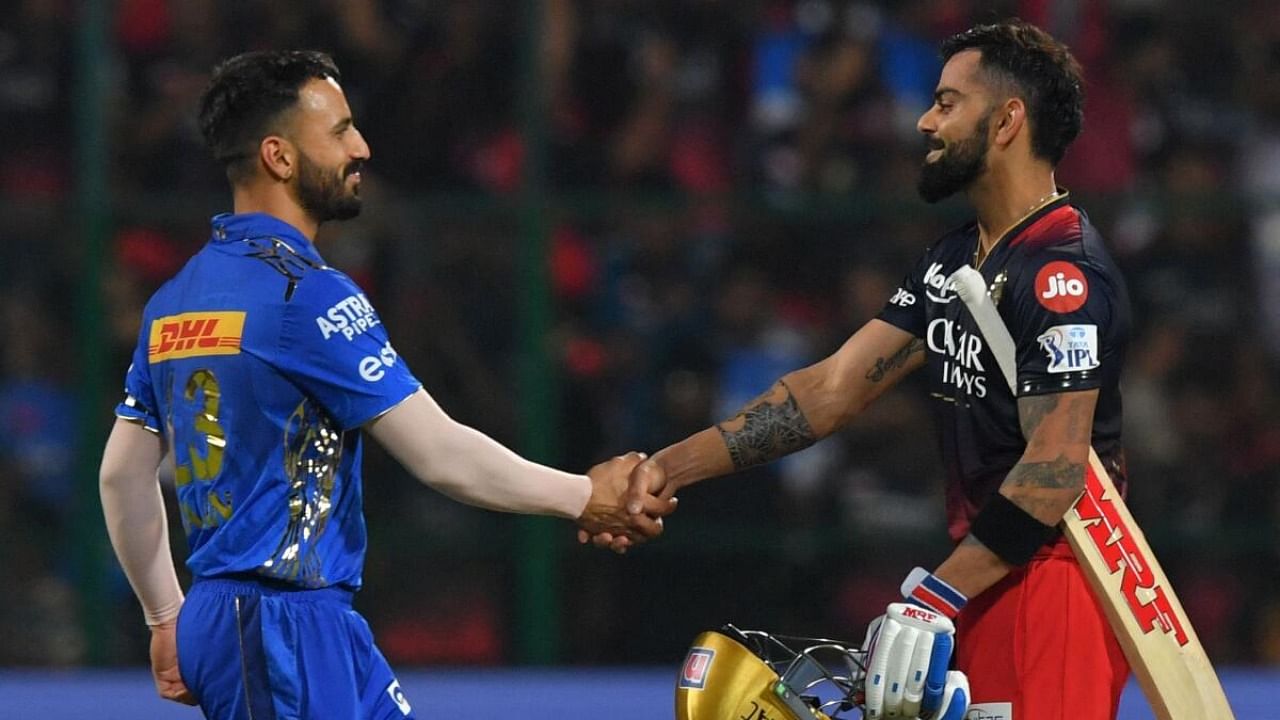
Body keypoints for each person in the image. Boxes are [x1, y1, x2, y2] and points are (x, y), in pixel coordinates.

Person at [99, 50, 671, 720]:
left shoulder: (175, 300)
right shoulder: (305, 297)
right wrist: (584, 495)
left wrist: (166, 617)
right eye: (339, 131)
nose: (362, 147)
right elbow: (440, 454)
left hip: (269, 623)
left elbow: (121, 475)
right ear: (279, 157)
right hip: (283, 630)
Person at [593, 19, 1133, 720]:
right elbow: (828, 391)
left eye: (946, 102)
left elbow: (1055, 468)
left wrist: (935, 594)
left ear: (1006, 121)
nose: (923, 120)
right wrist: (665, 469)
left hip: (1056, 586)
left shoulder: (1062, 271)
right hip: (984, 577)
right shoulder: (952, 260)